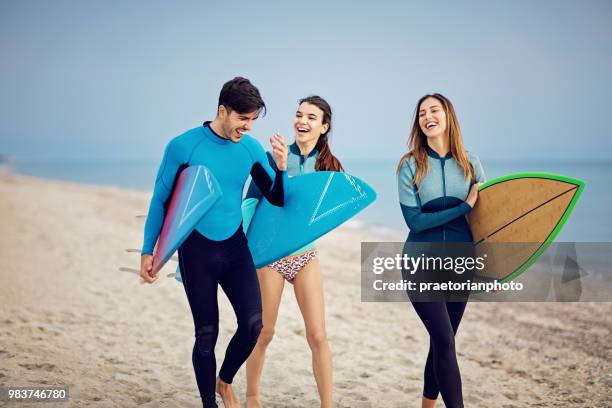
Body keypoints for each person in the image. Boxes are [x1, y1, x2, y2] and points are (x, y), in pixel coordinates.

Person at [139, 77, 288, 408]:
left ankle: (225, 381)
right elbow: (160, 200)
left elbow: (275, 197)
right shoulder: (184, 146)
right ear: (223, 110)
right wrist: (149, 251)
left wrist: (280, 168)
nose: (247, 127)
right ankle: (209, 403)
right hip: (196, 250)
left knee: (253, 326)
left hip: (234, 247)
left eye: (253, 120)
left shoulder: (249, 148)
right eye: (242, 119)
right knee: (206, 334)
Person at [243, 96, 343, 408]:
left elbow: (331, 211)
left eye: (312, 117)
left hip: (305, 256)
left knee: (317, 335)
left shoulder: (330, 167)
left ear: (324, 127)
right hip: (271, 257)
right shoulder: (276, 158)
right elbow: (250, 203)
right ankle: (252, 396)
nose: (302, 121)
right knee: (265, 331)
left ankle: (327, 403)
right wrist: (254, 250)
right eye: (299, 115)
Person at [396, 93, 485, 408]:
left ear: (448, 116)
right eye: (422, 112)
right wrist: (463, 206)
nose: (427, 116)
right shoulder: (409, 165)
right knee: (446, 341)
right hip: (420, 262)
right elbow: (415, 221)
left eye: (434, 110)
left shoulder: (470, 162)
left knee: (442, 342)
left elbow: (488, 219)